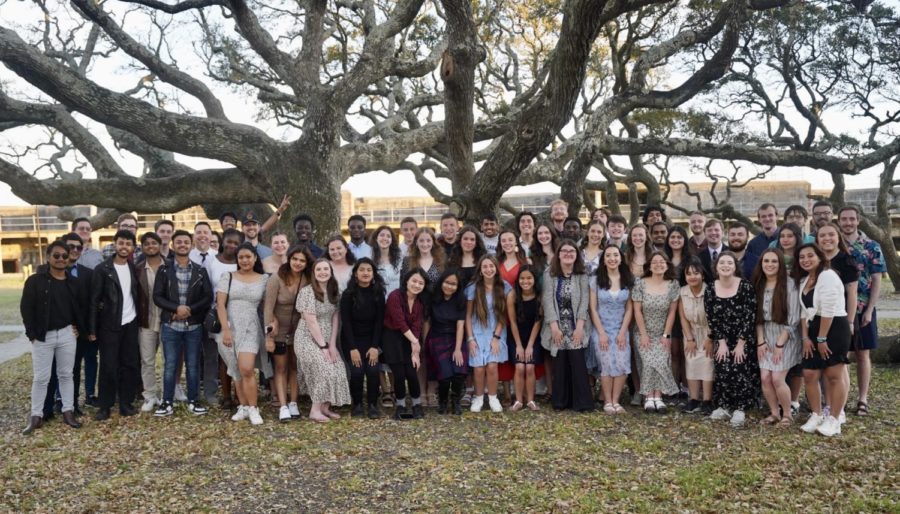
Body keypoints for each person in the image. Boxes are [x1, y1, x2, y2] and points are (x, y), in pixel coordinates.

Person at [21, 241, 83, 434]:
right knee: (41, 377)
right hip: (42, 336)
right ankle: (36, 416)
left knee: (66, 375)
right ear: (48, 257)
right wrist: (32, 334)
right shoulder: (35, 281)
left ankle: (68, 412)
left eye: (64, 256)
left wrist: (78, 327)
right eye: (56, 256)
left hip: (66, 334)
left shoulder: (73, 282)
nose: (61, 259)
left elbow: (78, 307)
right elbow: (26, 309)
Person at [152, 230, 213, 417]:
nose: (183, 245)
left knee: (193, 364)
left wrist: (189, 310)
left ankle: (193, 401)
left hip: (193, 325)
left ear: (191, 244)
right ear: (173, 244)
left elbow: (207, 297)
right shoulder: (164, 270)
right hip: (171, 325)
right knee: (170, 365)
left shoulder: (200, 270)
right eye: (179, 242)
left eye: (186, 242)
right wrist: (175, 309)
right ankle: (167, 402)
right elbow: (157, 296)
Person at [797, 243, 852, 437]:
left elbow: (828, 309)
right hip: (813, 329)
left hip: (834, 328)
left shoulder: (827, 276)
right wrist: (805, 337)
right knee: (810, 374)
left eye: (810, 255)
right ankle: (816, 414)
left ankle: (834, 419)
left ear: (820, 256)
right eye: (802, 257)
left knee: (833, 375)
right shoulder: (805, 280)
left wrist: (821, 339)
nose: (805, 259)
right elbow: (804, 312)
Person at [90, 230, 142, 421]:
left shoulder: (133, 268)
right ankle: (105, 405)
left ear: (132, 248)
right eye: (121, 243)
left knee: (129, 365)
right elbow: (94, 300)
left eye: (128, 244)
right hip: (109, 324)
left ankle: (126, 404)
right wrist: (92, 329)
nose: (124, 246)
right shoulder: (102, 269)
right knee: (108, 366)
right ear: (115, 244)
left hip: (130, 323)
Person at [839, 205, 885, 417]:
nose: (848, 223)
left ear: (858, 221)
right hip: (839, 309)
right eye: (844, 219)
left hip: (863, 308)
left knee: (863, 354)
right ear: (839, 221)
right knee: (843, 355)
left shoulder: (871, 246)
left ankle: (863, 399)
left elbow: (876, 280)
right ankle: (843, 396)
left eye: (852, 219)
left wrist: (870, 310)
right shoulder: (834, 244)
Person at [705, 251, 759, 427]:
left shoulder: (745, 286)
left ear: (735, 266)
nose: (726, 265)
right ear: (716, 266)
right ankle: (723, 405)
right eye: (722, 263)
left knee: (740, 367)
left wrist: (741, 344)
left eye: (729, 262)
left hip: (743, 336)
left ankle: (740, 408)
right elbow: (712, 317)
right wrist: (720, 342)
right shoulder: (711, 288)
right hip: (722, 336)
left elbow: (750, 316)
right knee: (722, 367)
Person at [216, 242, 269, 425]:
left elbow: (267, 306)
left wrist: (273, 323)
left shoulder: (264, 279)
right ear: (237, 260)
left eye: (248, 257)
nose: (245, 260)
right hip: (229, 328)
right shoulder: (228, 277)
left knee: (246, 368)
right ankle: (243, 407)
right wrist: (226, 330)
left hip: (250, 327)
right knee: (236, 369)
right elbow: (220, 304)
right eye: (241, 257)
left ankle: (254, 408)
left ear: (255, 258)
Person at [294, 258, 351, 422]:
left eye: (326, 269)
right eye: (318, 269)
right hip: (307, 337)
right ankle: (314, 410)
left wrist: (332, 345)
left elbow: (335, 318)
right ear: (313, 273)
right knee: (323, 368)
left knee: (337, 366)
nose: (322, 272)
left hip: (327, 337)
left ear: (331, 272)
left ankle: (325, 407)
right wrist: (323, 346)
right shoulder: (307, 292)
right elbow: (311, 321)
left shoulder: (334, 291)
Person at [542, 240, 593, 412]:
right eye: (564, 251)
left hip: (576, 324)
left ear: (577, 254)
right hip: (556, 325)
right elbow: (548, 300)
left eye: (572, 251)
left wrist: (579, 327)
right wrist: (554, 328)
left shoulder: (582, 274)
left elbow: (584, 300)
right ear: (559, 254)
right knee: (561, 363)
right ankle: (560, 402)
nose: (568, 254)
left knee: (577, 362)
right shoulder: (550, 274)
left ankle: (582, 403)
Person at [264, 245, 312, 422]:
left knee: (295, 366)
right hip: (278, 330)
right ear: (289, 259)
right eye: (295, 259)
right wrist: (269, 336)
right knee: (281, 367)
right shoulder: (277, 278)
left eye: (302, 260)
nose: (298, 263)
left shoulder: (307, 279)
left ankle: (293, 403)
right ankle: (283, 406)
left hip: (300, 330)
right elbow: (268, 308)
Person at [753, 248, 801, 427]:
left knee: (777, 378)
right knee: (765, 377)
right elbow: (757, 318)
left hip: (786, 335)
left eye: (774, 261)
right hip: (765, 334)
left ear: (780, 264)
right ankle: (774, 413)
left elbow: (793, 319)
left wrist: (779, 345)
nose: (770, 265)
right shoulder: (759, 284)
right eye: (766, 261)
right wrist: (761, 342)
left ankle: (787, 414)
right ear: (761, 264)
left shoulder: (790, 285)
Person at [632, 251, 680, 413]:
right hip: (642, 332)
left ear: (667, 265)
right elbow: (637, 311)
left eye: (662, 262)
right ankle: (648, 397)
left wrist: (666, 335)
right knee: (647, 362)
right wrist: (644, 334)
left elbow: (672, 312)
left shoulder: (673, 284)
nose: (658, 265)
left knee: (660, 360)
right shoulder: (640, 283)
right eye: (655, 262)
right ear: (649, 266)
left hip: (662, 332)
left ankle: (657, 397)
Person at [589, 245, 633, 415]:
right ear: (604, 260)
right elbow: (593, 308)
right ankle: (607, 401)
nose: (612, 258)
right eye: (608, 256)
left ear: (621, 258)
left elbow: (629, 309)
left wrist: (623, 332)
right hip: (602, 329)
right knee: (606, 363)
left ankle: (616, 400)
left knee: (622, 362)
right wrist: (601, 333)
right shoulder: (595, 280)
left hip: (621, 328)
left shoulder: (628, 280)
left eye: (615, 255)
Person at [340, 258, 386, 418]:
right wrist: (352, 348)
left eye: (369, 270)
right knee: (357, 371)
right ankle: (357, 403)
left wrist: (375, 347)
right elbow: (346, 324)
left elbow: (380, 323)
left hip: (372, 340)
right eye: (362, 270)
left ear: (373, 274)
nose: (365, 273)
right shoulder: (348, 295)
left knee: (373, 370)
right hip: (351, 340)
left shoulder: (378, 294)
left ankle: (373, 404)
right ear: (355, 274)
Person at [466, 255, 511, 413]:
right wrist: (470, 339)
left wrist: (496, 338)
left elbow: (503, 315)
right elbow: (468, 316)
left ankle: (493, 397)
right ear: (480, 270)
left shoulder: (504, 286)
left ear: (496, 268)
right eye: (485, 267)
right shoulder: (473, 288)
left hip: (496, 331)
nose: (488, 269)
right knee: (478, 368)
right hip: (477, 332)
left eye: (491, 266)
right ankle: (478, 397)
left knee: (492, 366)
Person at [383, 268, 428, 420]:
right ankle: (401, 405)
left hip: (409, 339)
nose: (417, 285)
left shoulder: (420, 302)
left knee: (412, 372)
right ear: (406, 281)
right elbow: (399, 322)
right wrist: (415, 342)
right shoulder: (395, 296)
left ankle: (416, 404)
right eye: (414, 281)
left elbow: (417, 325)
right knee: (399, 374)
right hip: (392, 338)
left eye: (421, 283)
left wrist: (415, 351)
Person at [205, 228, 242, 408]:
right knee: (223, 356)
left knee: (238, 355)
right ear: (223, 241)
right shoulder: (212, 262)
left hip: (238, 314)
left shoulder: (241, 263)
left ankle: (239, 394)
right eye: (229, 241)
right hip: (219, 314)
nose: (232, 246)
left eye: (236, 243)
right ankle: (226, 395)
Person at [423, 270, 468, 415]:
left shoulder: (461, 300)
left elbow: (461, 325)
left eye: (453, 284)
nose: (449, 286)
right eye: (447, 282)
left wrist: (458, 349)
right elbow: (427, 323)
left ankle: (456, 402)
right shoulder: (433, 299)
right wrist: (424, 343)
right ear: (441, 282)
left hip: (456, 337)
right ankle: (443, 401)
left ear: (458, 286)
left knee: (459, 371)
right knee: (445, 374)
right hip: (437, 337)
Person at [60, 233, 95, 412]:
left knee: (83, 364)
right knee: (63, 369)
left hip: (83, 330)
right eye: (71, 246)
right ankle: (63, 401)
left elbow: (92, 303)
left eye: (78, 247)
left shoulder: (88, 274)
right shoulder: (48, 271)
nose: (74, 250)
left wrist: (89, 329)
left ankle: (82, 399)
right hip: (60, 329)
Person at [678, 257, 714, 415]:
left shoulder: (711, 291)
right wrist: (690, 339)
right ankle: (693, 399)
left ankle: (707, 400)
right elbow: (683, 317)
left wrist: (710, 338)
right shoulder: (682, 292)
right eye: (689, 274)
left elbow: (715, 317)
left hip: (708, 333)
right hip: (691, 332)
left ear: (703, 275)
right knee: (691, 363)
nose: (692, 276)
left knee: (707, 364)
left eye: (696, 273)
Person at [505, 265, 543, 412]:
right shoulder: (513, 295)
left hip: (533, 336)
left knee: (530, 367)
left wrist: (530, 345)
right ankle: (519, 400)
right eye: (522, 278)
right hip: (516, 336)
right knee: (520, 367)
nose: (525, 281)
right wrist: (520, 345)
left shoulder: (539, 295)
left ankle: (531, 400)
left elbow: (538, 321)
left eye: (529, 278)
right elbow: (512, 322)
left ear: (534, 279)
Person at [136, 232, 165, 412]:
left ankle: (165, 395)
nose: (150, 246)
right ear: (143, 247)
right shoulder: (137, 269)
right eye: (147, 244)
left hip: (167, 321)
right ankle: (150, 396)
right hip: (146, 321)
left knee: (168, 360)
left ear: (160, 245)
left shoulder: (170, 266)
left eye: (154, 243)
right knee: (147, 361)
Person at [744, 203, 780, 272]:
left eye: (770, 215)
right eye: (763, 216)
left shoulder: (786, 239)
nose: (767, 219)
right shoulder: (753, 244)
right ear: (759, 219)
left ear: (777, 216)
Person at [371, 225, 403, 296]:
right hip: (376, 301)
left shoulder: (399, 258)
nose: (385, 238)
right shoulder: (370, 258)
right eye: (382, 235)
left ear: (392, 240)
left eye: (388, 236)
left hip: (395, 301)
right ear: (376, 238)